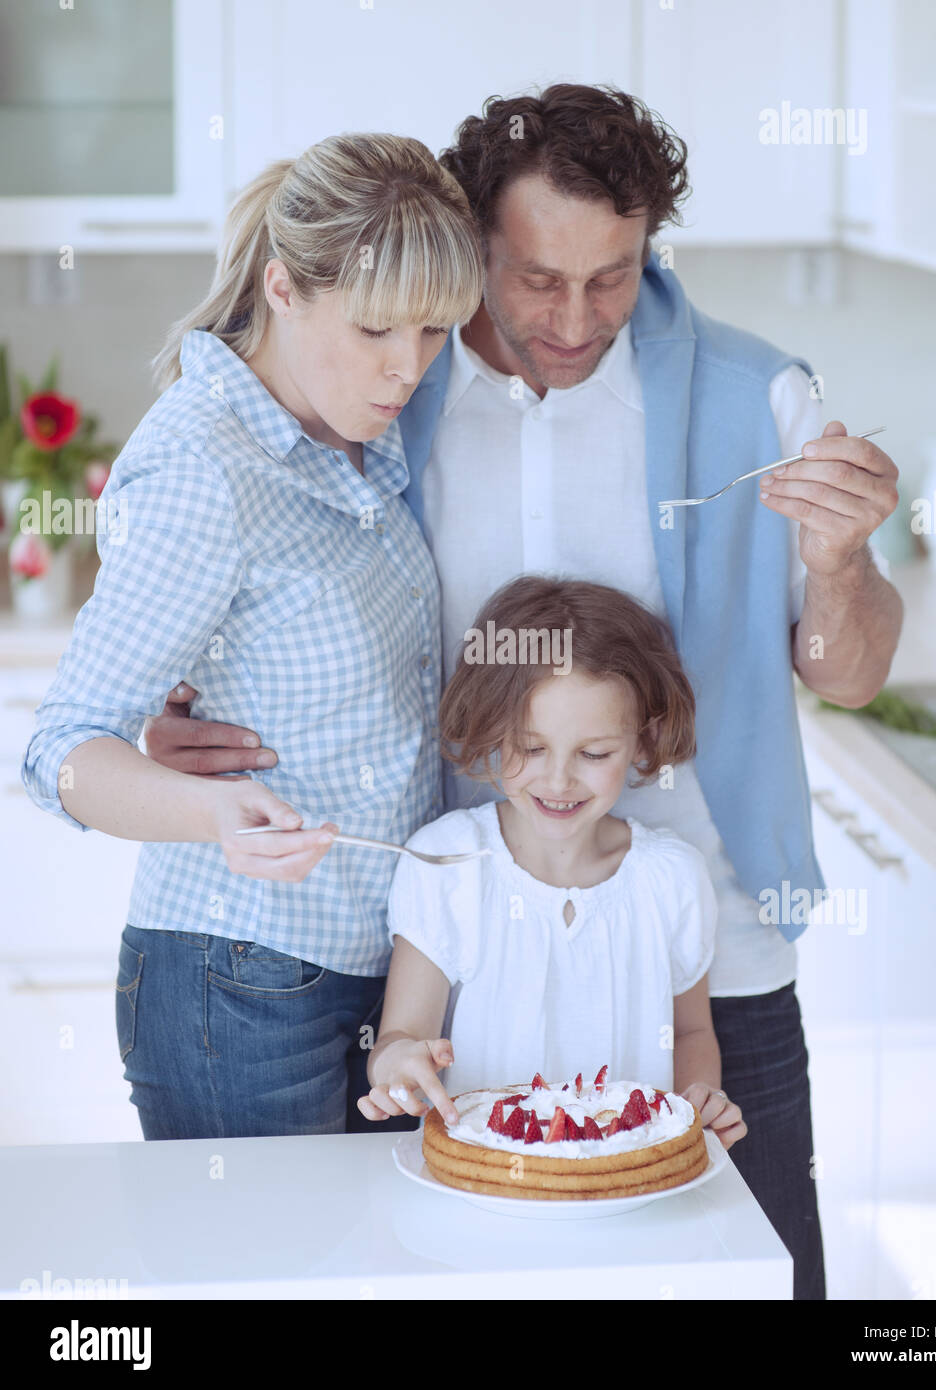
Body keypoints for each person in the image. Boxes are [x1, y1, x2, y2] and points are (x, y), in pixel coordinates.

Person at [143, 85, 903, 1297]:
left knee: (766, 1278)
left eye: (611, 276)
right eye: (536, 276)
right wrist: (171, 701)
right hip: (468, 961)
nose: (573, 316)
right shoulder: (393, 393)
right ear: (472, 243)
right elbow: (262, 567)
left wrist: (841, 563)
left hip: (714, 950)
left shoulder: (758, 405)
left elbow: (849, 677)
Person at [21, 132, 484, 1140]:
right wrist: (211, 814)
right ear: (282, 288)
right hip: (235, 980)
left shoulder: (353, 431)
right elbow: (58, 750)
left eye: (434, 331)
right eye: (376, 330)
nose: (407, 367)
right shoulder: (205, 470)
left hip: (377, 972)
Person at [355, 575, 747, 1151]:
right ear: (491, 727)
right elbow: (399, 1036)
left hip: (630, 1187)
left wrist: (699, 1098)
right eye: (531, 748)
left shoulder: (673, 878)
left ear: (642, 741)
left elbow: (690, 1031)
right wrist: (398, 1067)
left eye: (594, 754)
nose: (559, 779)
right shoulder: (447, 863)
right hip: (485, 1186)